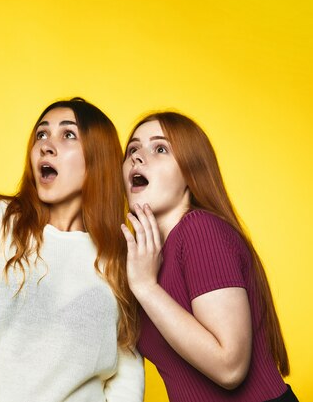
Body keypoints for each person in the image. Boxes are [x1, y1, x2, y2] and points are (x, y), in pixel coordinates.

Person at [0, 98, 144, 402]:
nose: (47, 145)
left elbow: (126, 369)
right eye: (42, 134)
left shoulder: (120, 255)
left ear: (98, 157)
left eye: (68, 135)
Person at [120, 111, 298, 401]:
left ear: (191, 173)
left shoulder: (199, 230)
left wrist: (146, 288)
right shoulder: (145, 257)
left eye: (160, 148)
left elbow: (230, 368)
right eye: (133, 149)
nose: (138, 157)